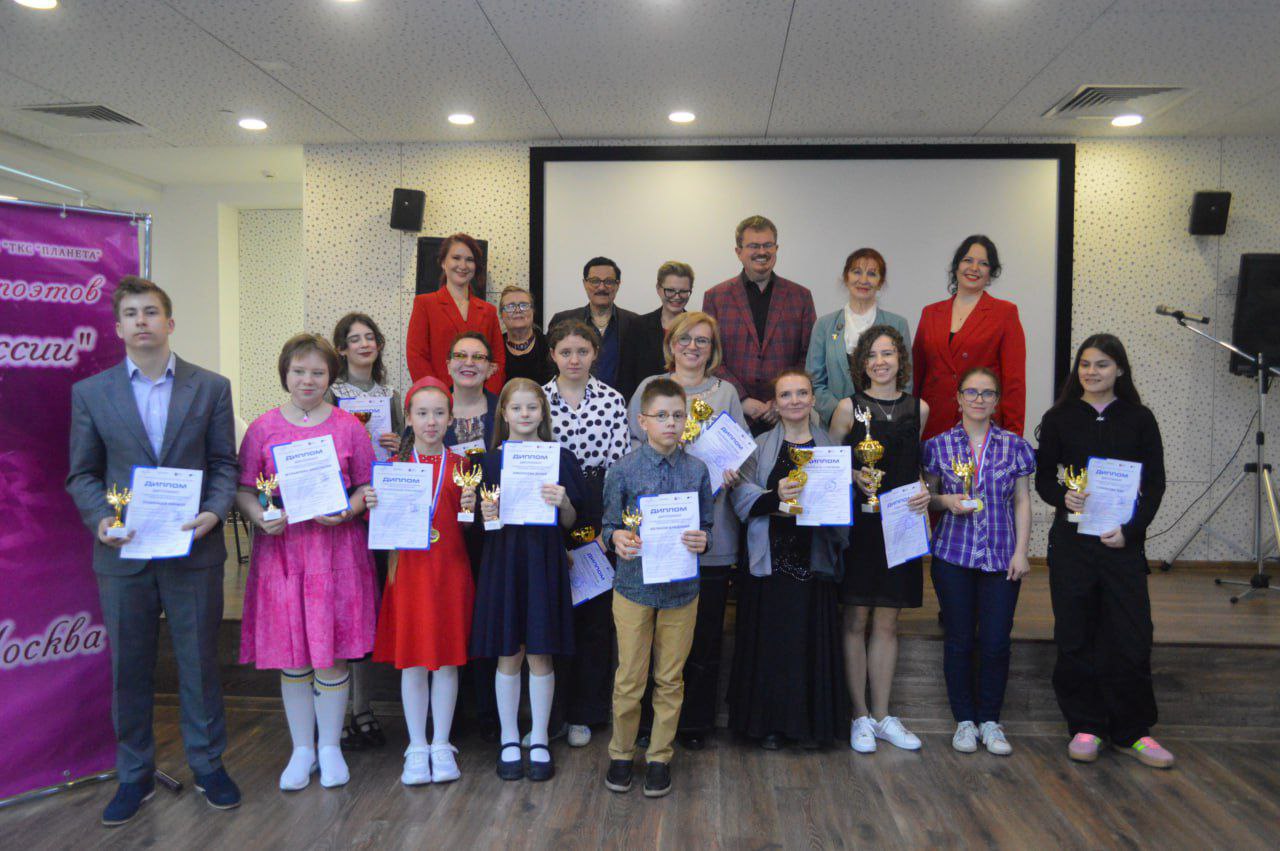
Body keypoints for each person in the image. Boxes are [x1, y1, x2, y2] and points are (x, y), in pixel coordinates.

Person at [66, 276, 240, 826]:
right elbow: (82, 473)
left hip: (194, 548)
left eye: (151, 312)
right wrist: (101, 520)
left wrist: (215, 511)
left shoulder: (210, 387)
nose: (141, 321)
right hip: (125, 554)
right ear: (118, 328)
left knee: (199, 664)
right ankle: (134, 775)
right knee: (130, 669)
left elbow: (224, 464)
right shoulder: (91, 393)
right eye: (131, 314)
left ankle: (209, 765)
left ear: (170, 322)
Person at [235, 334, 378, 792]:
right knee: (293, 656)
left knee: (331, 655)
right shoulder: (262, 428)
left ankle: (331, 746)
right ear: (285, 373)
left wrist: (349, 510)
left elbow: (367, 486)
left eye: (318, 372)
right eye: (299, 371)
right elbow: (244, 489)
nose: (308, 380)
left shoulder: (348, 426)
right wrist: (261, 516)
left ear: (330, 376)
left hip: (336, 553)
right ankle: (302, 748)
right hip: (283, 554)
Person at [1034, 334, 1171, 768]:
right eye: (1085, 364)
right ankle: (1085, 726)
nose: (1091, 372)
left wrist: (1131, 531)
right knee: (1075, 635)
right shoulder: (1058, 418)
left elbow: (1155, 485)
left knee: (1131, 636)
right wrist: (1063, 496)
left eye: (1102, 364)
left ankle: (1134, 731)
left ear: (1120, 370)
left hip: (1121, 545)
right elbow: (1044, 479)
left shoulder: (1139, 418)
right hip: (1072, 545)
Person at [627, 310, 746, 750]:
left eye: (703, 340)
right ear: (671, 344)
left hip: (711, 531)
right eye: (685, 338)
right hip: (658, 534)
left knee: (705, 635)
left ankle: (694, 723)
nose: (693, 347)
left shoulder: (726, 392)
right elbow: (632, 450)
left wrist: (732, 471)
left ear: (713, 349)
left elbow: (742, 452)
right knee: (652, 637)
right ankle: (647, 723)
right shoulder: (650, 387)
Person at [471, 379, 586, 782]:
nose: (524, 414)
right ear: (503, 414)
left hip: (543, 562)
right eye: (516, 408)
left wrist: (563, 502)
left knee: (540, 652)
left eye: (532, 408)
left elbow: (571, 522)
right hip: (504, 561)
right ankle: (508, 737)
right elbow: (482, 527)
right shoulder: (488, 463)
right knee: (509, 653)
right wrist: (488, 512)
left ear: (543, 413)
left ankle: (538, 737)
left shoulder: (561, 458)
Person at [602, 378, 713, 798]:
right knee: (629, 678)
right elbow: (609, 525)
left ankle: (659, 757)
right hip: (633, 588)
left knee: (670, 678)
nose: (670, 423)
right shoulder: (623, 469)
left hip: (682, 591)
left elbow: (707, 525)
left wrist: (703, 539)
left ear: (686, 421)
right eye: (661, 415)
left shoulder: (697, 470)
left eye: (678, 415)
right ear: (642, 421)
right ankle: (621, 753)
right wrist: (616, 537)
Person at [728, 370, 849, 749]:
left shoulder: (831, 448)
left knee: (806, 644)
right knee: (772, 646)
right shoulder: (759, 445)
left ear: (813, 399)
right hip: (769, 561)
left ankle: (809, 727)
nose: (794, 400)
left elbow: (842, 505)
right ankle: (769, 726)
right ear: (775, 404)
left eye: (801, 393)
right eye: (786, 394)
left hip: (814, 560)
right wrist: (776, 498)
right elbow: (741, 497)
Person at [922, 367, 1035, 757]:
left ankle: (990, 720)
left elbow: (1022, 500)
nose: (979, 399)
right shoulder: (937, 446)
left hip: (1002, 557)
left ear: (997, 401)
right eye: (971, 392)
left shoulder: (1015, 446)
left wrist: (1022, 551)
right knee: (958, 640)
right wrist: (946, 501)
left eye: (987, 393)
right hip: (952, 555)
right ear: (958, 398)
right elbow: (928, 498)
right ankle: (965, 721)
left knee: (996, 641)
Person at [370, 377, 476, 786]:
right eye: (422, 413)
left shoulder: (463, 467)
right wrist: (374, 504)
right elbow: (380, 529)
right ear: (409, 419)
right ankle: (416, 745)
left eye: (439, 413)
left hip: (450, 575)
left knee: (447, 662)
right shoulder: (393, 470)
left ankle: (442, 742)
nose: (431, 421)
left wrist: (473, 509)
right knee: (413, 662)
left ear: (450, 418)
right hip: (410, 577)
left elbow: (470, 528)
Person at [829, 326, 931, 753]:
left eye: (887, 353)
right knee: (855, 619)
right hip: (860, 524)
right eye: (872, 355)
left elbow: (916, 464)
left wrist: (925, 488)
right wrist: (854, 473)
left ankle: (883, 714)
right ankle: (859, 716)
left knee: (889, 621)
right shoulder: (847, 408)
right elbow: (828, 464)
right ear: (862, 363)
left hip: (902, 524)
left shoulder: (919, 408)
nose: (880, 362)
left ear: (900, 359)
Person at [542, 321, 630, 748]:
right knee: (555, 613)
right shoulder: (539, 399)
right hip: (549, 506)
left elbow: (618, 468)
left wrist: (606, 528)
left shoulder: (613, 399)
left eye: (582, 351)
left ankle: (586, 713)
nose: (574, 359)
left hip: (597, 505)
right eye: (565, 352)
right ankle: (553, 713)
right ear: (553, 355)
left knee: (595, 617)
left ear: (595, 353)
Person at [327, 312, 402, 753]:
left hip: (383, 506)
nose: (364, 344)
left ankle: (363, 705)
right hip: (343, 510)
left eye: (370, 337)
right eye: (354, 339)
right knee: (345, 610)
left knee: (368, 609)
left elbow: (405, 450)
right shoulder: (330, 393)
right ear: (341, 348)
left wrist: (398, 445)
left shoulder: (391, 396)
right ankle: (341, 711)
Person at [703, 215, 816, 434]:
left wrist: (782, 398)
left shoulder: (800, 296)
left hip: (787, 415)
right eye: (754, 246)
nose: (762, 252)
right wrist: (742, 399)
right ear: (738, 251)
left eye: (768, 245)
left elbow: (808, 355)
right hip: (731, 413)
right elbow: (711, 355)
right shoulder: (715, 297)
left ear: (776, 248)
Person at [913, 235, 1025, 441]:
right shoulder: (930, 313)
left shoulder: (1005, 313)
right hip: (933, 423)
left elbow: (1014, 383)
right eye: (967, 260)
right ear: (956, 266)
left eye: (983, 263)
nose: (974, 268)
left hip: (982, 424)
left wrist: (1013, 437)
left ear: (991, 273)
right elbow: (917, 375)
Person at [807, 248, 912, 427]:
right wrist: (842, 414)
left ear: (880, 282)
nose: (863, 280)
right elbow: (814, 382)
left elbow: (905, 379)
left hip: (885, 424)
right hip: (836, 426)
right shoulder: (824, 325)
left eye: (872, 274)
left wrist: (885, 415)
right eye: (857, 272)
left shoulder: (898, 324)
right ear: (846, 277)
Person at [406, 233, 506, 394]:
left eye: (469, 259)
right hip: (439, 400)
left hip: (481, 400)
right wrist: (438, 396)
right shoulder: (424, 304)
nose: (463, 265)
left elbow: (498, 361)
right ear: (443, 262)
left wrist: (486, 397)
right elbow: (416, 357)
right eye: (456, 258)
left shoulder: (489, 311)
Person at [547, 256, 642, 399]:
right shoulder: (562, 320)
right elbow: (550, 367)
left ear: (618, 285)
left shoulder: (635, 323)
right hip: (571, 404)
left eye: (609, 281)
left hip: (621, 405)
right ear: (585, 283)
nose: (602, 287)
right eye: (595, 281)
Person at [617, 261, 694, 400]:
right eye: (670, 290)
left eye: (683, 291)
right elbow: (626, 378)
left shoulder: (698, 329)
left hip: (690, 405)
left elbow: (705, 374)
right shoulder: (637, 327)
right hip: (647, 406)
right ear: (658, 289)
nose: (677, 296)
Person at [443, 331, 500, 454]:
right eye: (460, 355)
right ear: (448, 366)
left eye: (478, 357)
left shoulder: (504, 412)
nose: (469, 363)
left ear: (490, 369)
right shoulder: (427, 410)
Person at [499, 285, 553, 387]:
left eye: (524, 305)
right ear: (502, 315)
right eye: (510, 306)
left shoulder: (550, 345)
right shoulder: (494, 350)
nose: (518, 310)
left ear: (533, 311)